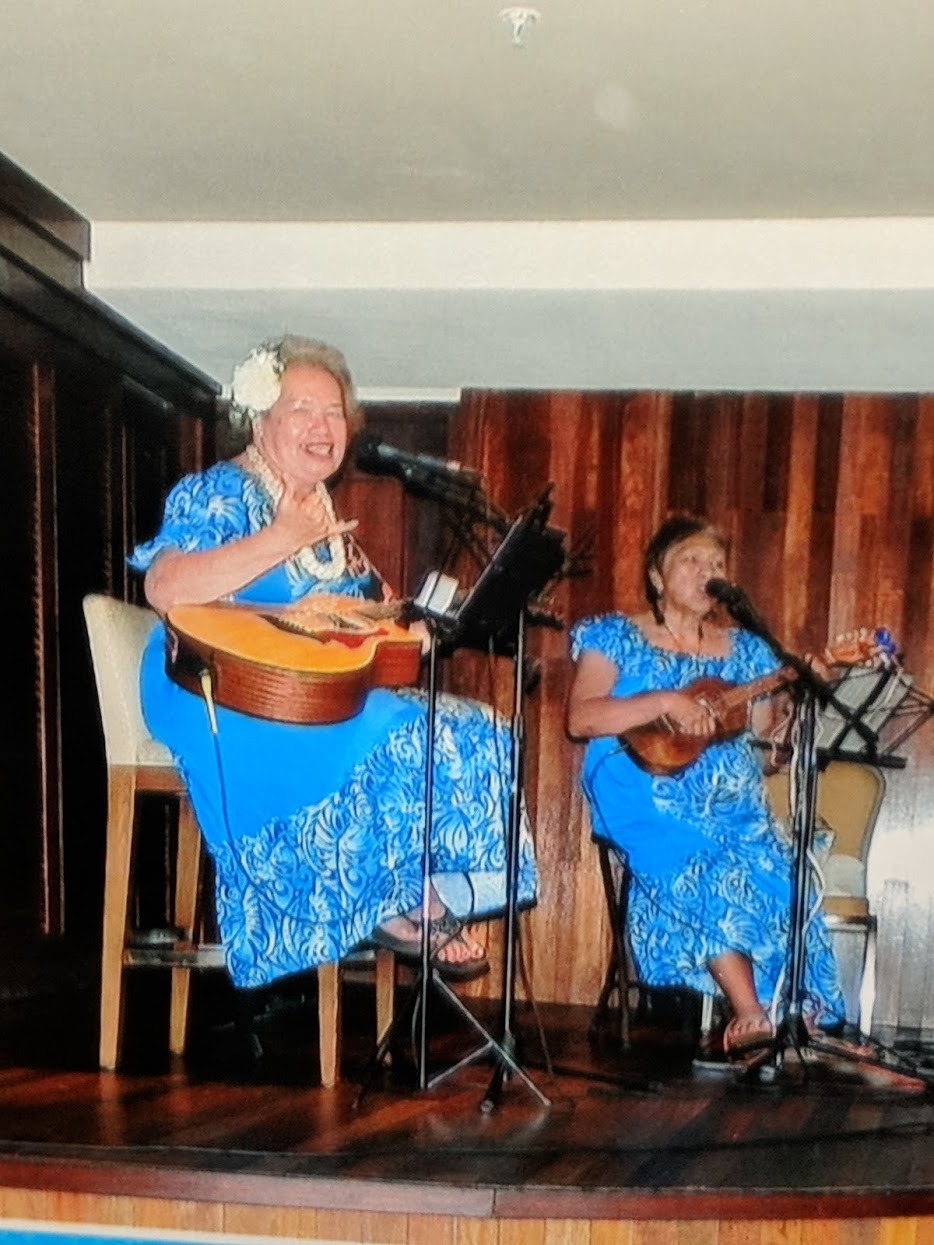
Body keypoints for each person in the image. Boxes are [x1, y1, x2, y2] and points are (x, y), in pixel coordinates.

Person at [129, 334, 537, 991]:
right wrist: (277, 538)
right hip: (215, 685)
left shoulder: (326, 516)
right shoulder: (221, 491)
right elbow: (165, 588)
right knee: (399, 729)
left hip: (306, 690)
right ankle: (397, 899)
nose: (324, 427)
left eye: (334, 412)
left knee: (480, 727)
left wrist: (411, 628)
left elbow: (349, 621)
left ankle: (407, 891)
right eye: (302, 409)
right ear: (260, 419)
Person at [567, 514, 845, 1057]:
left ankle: (800, 1009)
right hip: (643, 790)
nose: (707, 571)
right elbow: (582, 719)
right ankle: (751, 1010)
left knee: (781, 870)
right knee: (702, 862)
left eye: (717, 564)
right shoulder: (614, 635)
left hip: (733, 801)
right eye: (693, 559)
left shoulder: (746, 651)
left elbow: (765, 751)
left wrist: (790, 714)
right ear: (656, 575)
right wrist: (666, 701)